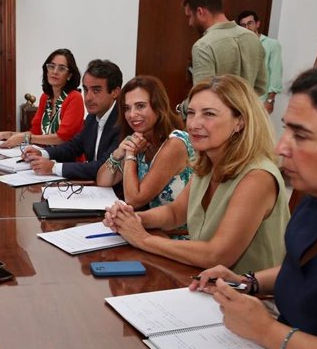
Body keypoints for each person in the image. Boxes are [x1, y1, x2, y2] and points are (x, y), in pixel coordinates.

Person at [190, 63, 317, 349]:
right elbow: (306, 272)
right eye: (286, 129)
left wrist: (269, 331)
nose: (280, 147)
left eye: (300, 134)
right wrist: (249, 281)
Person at [105, 75, 289, 273]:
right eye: (191, 113)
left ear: (240, 122)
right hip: (205, 282)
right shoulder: (208, 163)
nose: (193, 124)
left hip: (249, 298)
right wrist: (133, 219)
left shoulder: (258, 176)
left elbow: (216, 255)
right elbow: (175, 212)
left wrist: (143, 239)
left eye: (209, 114)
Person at [96, 75, 194, 210]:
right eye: (127, 108)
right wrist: (118, 154)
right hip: (154, 225)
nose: (132, 114)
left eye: (140, 106)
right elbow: (103, 182)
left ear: (158, 107)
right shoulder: (142, 139)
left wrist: (130, 154)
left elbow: (134, 199)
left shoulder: (176, 143)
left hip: (177, 230)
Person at [22, 59, 122, 180]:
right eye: (85, 89)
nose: (88, 97)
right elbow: (74, 146)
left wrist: (54, 168)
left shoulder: (122, 123)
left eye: (96, 90)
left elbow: (102, 167)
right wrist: (42, 153)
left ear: (115, 92)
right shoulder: (92, 117)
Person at [179, 0, 267, 116]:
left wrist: (181, 108)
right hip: (248, 120)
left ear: (200, 12)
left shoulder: (204, 46)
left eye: (189, 16)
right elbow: (261, 86)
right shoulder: (252, 38)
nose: (190, 23)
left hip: (218, 124)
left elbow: (202, 97)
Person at [0, 48, 84, 148]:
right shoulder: (46, 97)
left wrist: (25, 138)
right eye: (51, 66)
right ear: (46, 70)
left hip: (68, 161)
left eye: (61, 68)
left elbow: (62, 138)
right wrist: (6, 135)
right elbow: (35, 133)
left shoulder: (75, 97)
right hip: (44, 156)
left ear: (69, 75)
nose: (55, 71)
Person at [237, 10, 283, 114]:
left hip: (261, 100)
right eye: (243, 25)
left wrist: (270, 101)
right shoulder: (238, 45)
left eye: (250, 23)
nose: (247, 28)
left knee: (257, 130)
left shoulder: (272, 44)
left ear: (257, 24)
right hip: (240, 99)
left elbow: (276, 73)